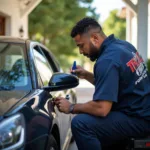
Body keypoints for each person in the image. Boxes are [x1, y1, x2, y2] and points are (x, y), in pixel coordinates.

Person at [54, 17, 150, 150]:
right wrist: (87, 75)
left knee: (81, 123)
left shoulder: (107, 60)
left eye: (81, 45)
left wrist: (71, 107)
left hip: (137, 120)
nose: (81, 51)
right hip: (142, 113)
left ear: (94, 38)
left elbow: (102, 109)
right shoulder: (124, 46)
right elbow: (115, 85)